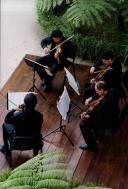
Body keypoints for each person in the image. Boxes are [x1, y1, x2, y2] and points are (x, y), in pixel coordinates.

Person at [79, 81, 120, 152]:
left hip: (108, 122)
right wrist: (92, 99)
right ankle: (96, 134)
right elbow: (100, 99)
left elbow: (98, 117)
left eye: (97, 91)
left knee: (82, 124)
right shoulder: (112, 91)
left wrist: (87, 116)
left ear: (102, 90)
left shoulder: (105, 104)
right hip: (114, 116)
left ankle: (91, 146)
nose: (96, 93)